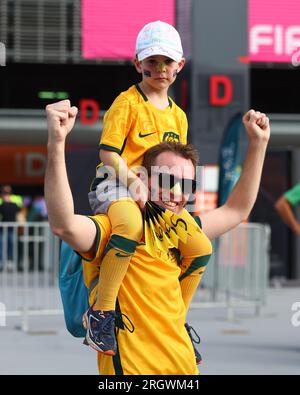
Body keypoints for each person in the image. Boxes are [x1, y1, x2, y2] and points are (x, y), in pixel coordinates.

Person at [45, 100, 270, 374]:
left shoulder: (182, 234)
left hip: (185, 368)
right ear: (143, 178)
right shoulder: (114, 228)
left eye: (187, 185)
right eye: (166, 180)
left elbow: (236, 210)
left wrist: (258, 144)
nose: (176, 192)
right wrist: (56, 143)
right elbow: (64, 225)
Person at [86, 20, 198, 356]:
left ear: (180, 65)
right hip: (116, 184)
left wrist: (178, 199)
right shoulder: (127, 102)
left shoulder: (179, 116)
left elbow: (178, 166)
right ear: (138, 64)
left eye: (167, 62)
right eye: (152, 62)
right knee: (130, 226)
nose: (160, 69)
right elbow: (108, 153)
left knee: (200, 246)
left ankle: (174, 321)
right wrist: (134, 181)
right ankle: (101, 313)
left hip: (158, 196)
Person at [0, 185, 21, 269]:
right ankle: (2, 262)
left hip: (12, 229)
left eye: (8, 193)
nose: (6, 194)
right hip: (2, 229)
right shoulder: (1, 204)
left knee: (12, 245)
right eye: (4, 192)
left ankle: (11, 261)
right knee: (2, 245)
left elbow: (19, 215)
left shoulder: (15, 203)